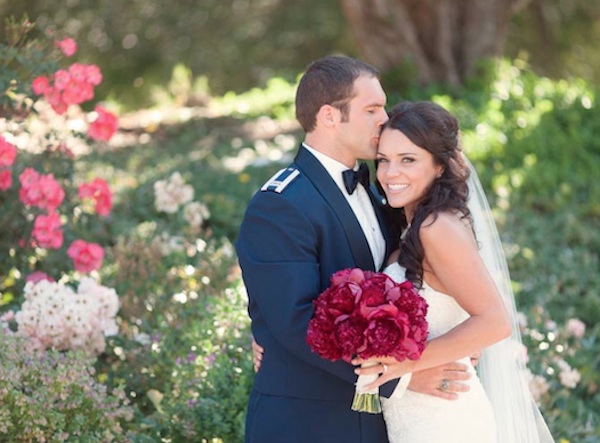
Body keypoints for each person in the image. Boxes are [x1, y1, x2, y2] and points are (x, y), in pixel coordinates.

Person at [235, 56, 472, 443]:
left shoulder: (384, 190)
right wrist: (404, 375)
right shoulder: (279, 204)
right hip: (309, 424)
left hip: (381, 425)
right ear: (330, 116)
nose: (385, 118)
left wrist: (451, 342)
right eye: (371, 109)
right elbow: (296, 322)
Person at [352, 101, 555, 442]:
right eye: (384, 160)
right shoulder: (413, 224)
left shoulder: (437, 227)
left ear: (440, 166)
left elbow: (495, 321)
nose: (389, 174)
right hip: (416, 415)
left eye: (408, 160)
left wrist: (403, 365)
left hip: (444, 421)